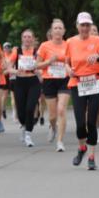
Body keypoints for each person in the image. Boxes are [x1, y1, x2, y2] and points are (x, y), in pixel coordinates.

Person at [65, 12, 99, 170]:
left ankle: (91, 157)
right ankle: (82, 148)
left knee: (91, 121)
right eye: (82, 25)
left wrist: (98, 57)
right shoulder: (70, 42)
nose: (85, 28)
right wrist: (68, 70)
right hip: (77, 83)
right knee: (80, 124)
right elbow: (66, 62)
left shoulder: (97, 41)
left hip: (95, 83)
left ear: (91, 26)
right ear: (77, 26)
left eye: (87, 25)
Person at [36, 20, 69, 152]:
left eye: (60, 28)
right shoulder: (44, 46)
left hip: (64, 79)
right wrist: (49, 61)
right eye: (55, 28)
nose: (58, 30)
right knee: (52, 116)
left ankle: (60, 141)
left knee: (61, 109)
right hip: (49, 80)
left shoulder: (69, 45)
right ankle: (53, 127)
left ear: (64, 31)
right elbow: (37, 65)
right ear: (51, 31)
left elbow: (73, 62)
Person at [7, 30, 41, 147]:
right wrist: (16, 71)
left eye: (29, 37)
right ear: (22, 39)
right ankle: (24, 125)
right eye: (25, 37)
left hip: (33, 82)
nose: (27, 39)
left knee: (30, 108)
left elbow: (42, 67)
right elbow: (8, 68)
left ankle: (28, 134)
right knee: (21, 111)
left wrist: (38, 71)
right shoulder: (17, 51)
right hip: (20, 82)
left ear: (33, 39)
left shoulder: (37, 52)